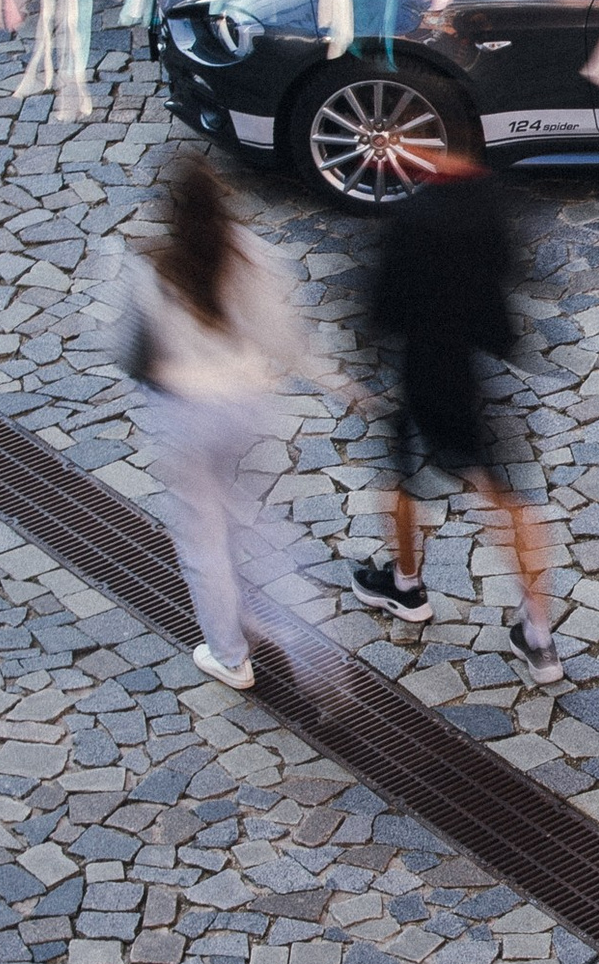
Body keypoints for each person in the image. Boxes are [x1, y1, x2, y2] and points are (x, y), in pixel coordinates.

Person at [118, 155, 340, 696]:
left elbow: (127, 347)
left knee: (203, 540)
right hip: (247, 409)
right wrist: (338, 383)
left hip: (186, 416)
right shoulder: (249, 255)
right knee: (242, 520)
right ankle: (261, 613)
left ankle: (229, 654)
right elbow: (284, 336)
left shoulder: (153, 265)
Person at [350, 130, 561, 684]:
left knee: (402, 477)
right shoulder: (492, 200)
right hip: (477, 366)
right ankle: (538, 632)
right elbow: (509, 274)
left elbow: (383, 307)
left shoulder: (413, 216)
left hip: (425, 368)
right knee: (508, 496)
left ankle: (406, 585)